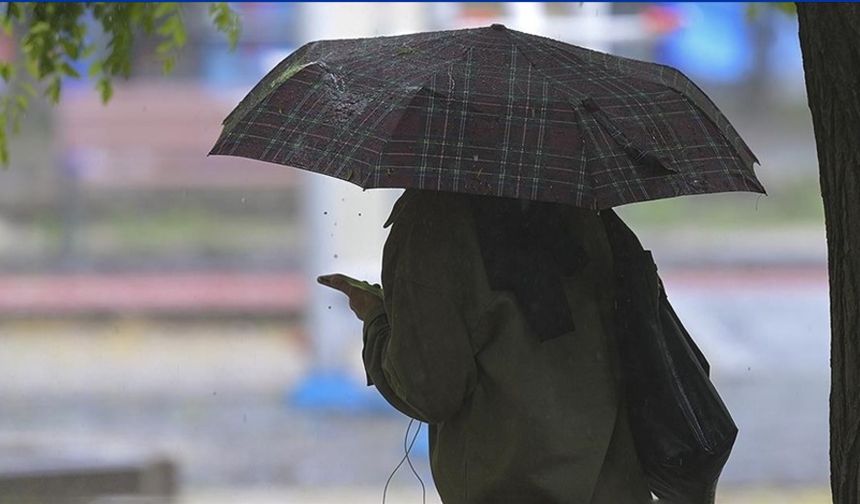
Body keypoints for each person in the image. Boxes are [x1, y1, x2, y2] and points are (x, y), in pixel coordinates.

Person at [319, 189, 651, 504]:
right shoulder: (580, 203)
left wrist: (377, 318)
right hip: (614, 484)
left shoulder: (431, 219)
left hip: (513, 488)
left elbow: (429, 390)